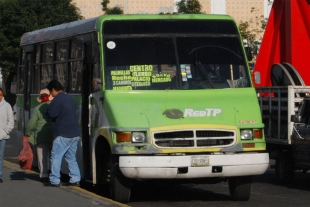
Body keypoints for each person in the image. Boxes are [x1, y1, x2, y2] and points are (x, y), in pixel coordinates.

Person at [44, 80, 81, 187]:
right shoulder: (70, 98)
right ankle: (75, 178)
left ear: (54, 89)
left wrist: (47, 111)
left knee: (55, 156)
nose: (51, 94)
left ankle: (54, 180)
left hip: (62, 133)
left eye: (51, 92)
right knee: (71, 157)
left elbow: (51, 114)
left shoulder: (57, 100)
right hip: (75, 133)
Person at [26, 88, 53, 183]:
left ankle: (44, 175)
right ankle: (54, 174)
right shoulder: (54, 106)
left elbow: (32, 123)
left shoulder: (37, 109)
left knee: (42, 156)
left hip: (41, 135)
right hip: (53, 134)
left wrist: (28, 133)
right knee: (54, 156)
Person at [0, 88, 14, 183]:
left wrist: (5, 131)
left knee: (0, 156)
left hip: (3, 137)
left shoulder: (7, 106)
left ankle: (0, 175)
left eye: (0, 95)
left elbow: (11, 122)